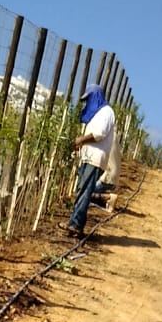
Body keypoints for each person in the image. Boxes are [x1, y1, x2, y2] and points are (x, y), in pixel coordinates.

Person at [67, 83, 116, 239]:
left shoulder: (106, 112)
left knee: (84, 191)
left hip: (96, 158)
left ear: (95, 96)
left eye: (88, 98)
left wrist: (81, 139)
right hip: (89, 157)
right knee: (82, 190)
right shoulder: (98, 113)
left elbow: (99, 134)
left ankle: (75, 225)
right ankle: (75, 224)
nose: (87, 102)